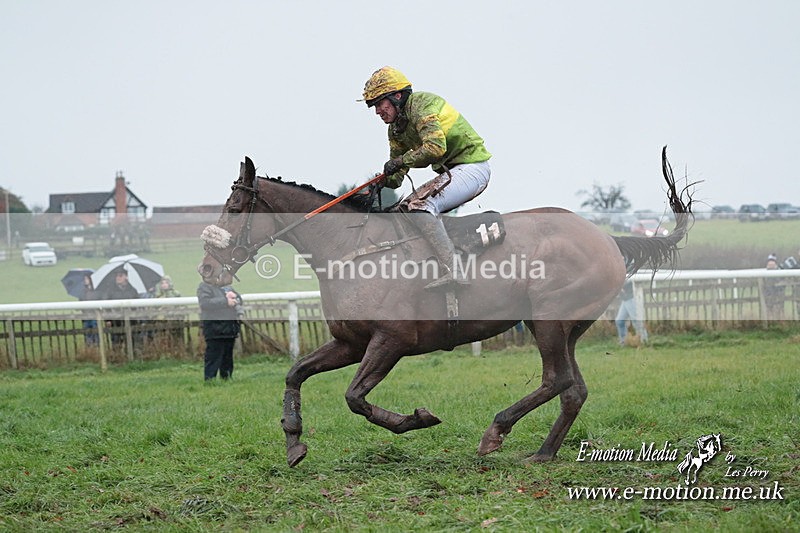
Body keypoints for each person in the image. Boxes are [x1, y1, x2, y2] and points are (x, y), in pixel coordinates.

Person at [361, 66, 492, 289]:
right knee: (403, 209)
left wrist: (400, 162)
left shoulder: (423, 104)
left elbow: (435, 148)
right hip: (453, 173)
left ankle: (455, 271)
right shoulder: (395, 130)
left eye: (380, 104)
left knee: (421, 207)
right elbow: (397, 175)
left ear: (397, 96)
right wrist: (382, 181)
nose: (377, 112)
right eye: (374, 106)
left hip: (472, 167)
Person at [197, 281, 242, 381]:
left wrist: (235, 298)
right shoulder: (204, 287)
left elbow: (239, 299)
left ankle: (227, 377)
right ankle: (210, 379)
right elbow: (205, 303)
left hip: (230, 327)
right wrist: (225, 301)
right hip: (214, 328)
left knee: (228, 356)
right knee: (213, 356)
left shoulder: (227, 287)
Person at [100, 268, 140, 349]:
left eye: (120, 276)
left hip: (130, 320)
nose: (118, 278)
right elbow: (106, 306)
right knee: (116, 341)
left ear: (126, 277)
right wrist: (107, 320)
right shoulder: (110, 291)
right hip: (115, 321)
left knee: (131, 341)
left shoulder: (132, 290)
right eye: (117, 276)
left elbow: (136, 306)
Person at [615, 280, 648, 346]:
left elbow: (631, 280)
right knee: (619, 321)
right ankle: (624, 341)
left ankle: (643, 340)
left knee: (636, 321)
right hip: (625, 299)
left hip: (632, 298)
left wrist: (620, 286)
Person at [79, 274, 99, 346]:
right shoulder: (83, 292)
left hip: (94, 315)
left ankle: (96, 344)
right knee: (87, 332)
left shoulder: (96, 291)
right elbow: (80, 301)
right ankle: (89, 345)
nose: (85, 281)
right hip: (86, 315)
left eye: (86, 279)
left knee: (95, 330)